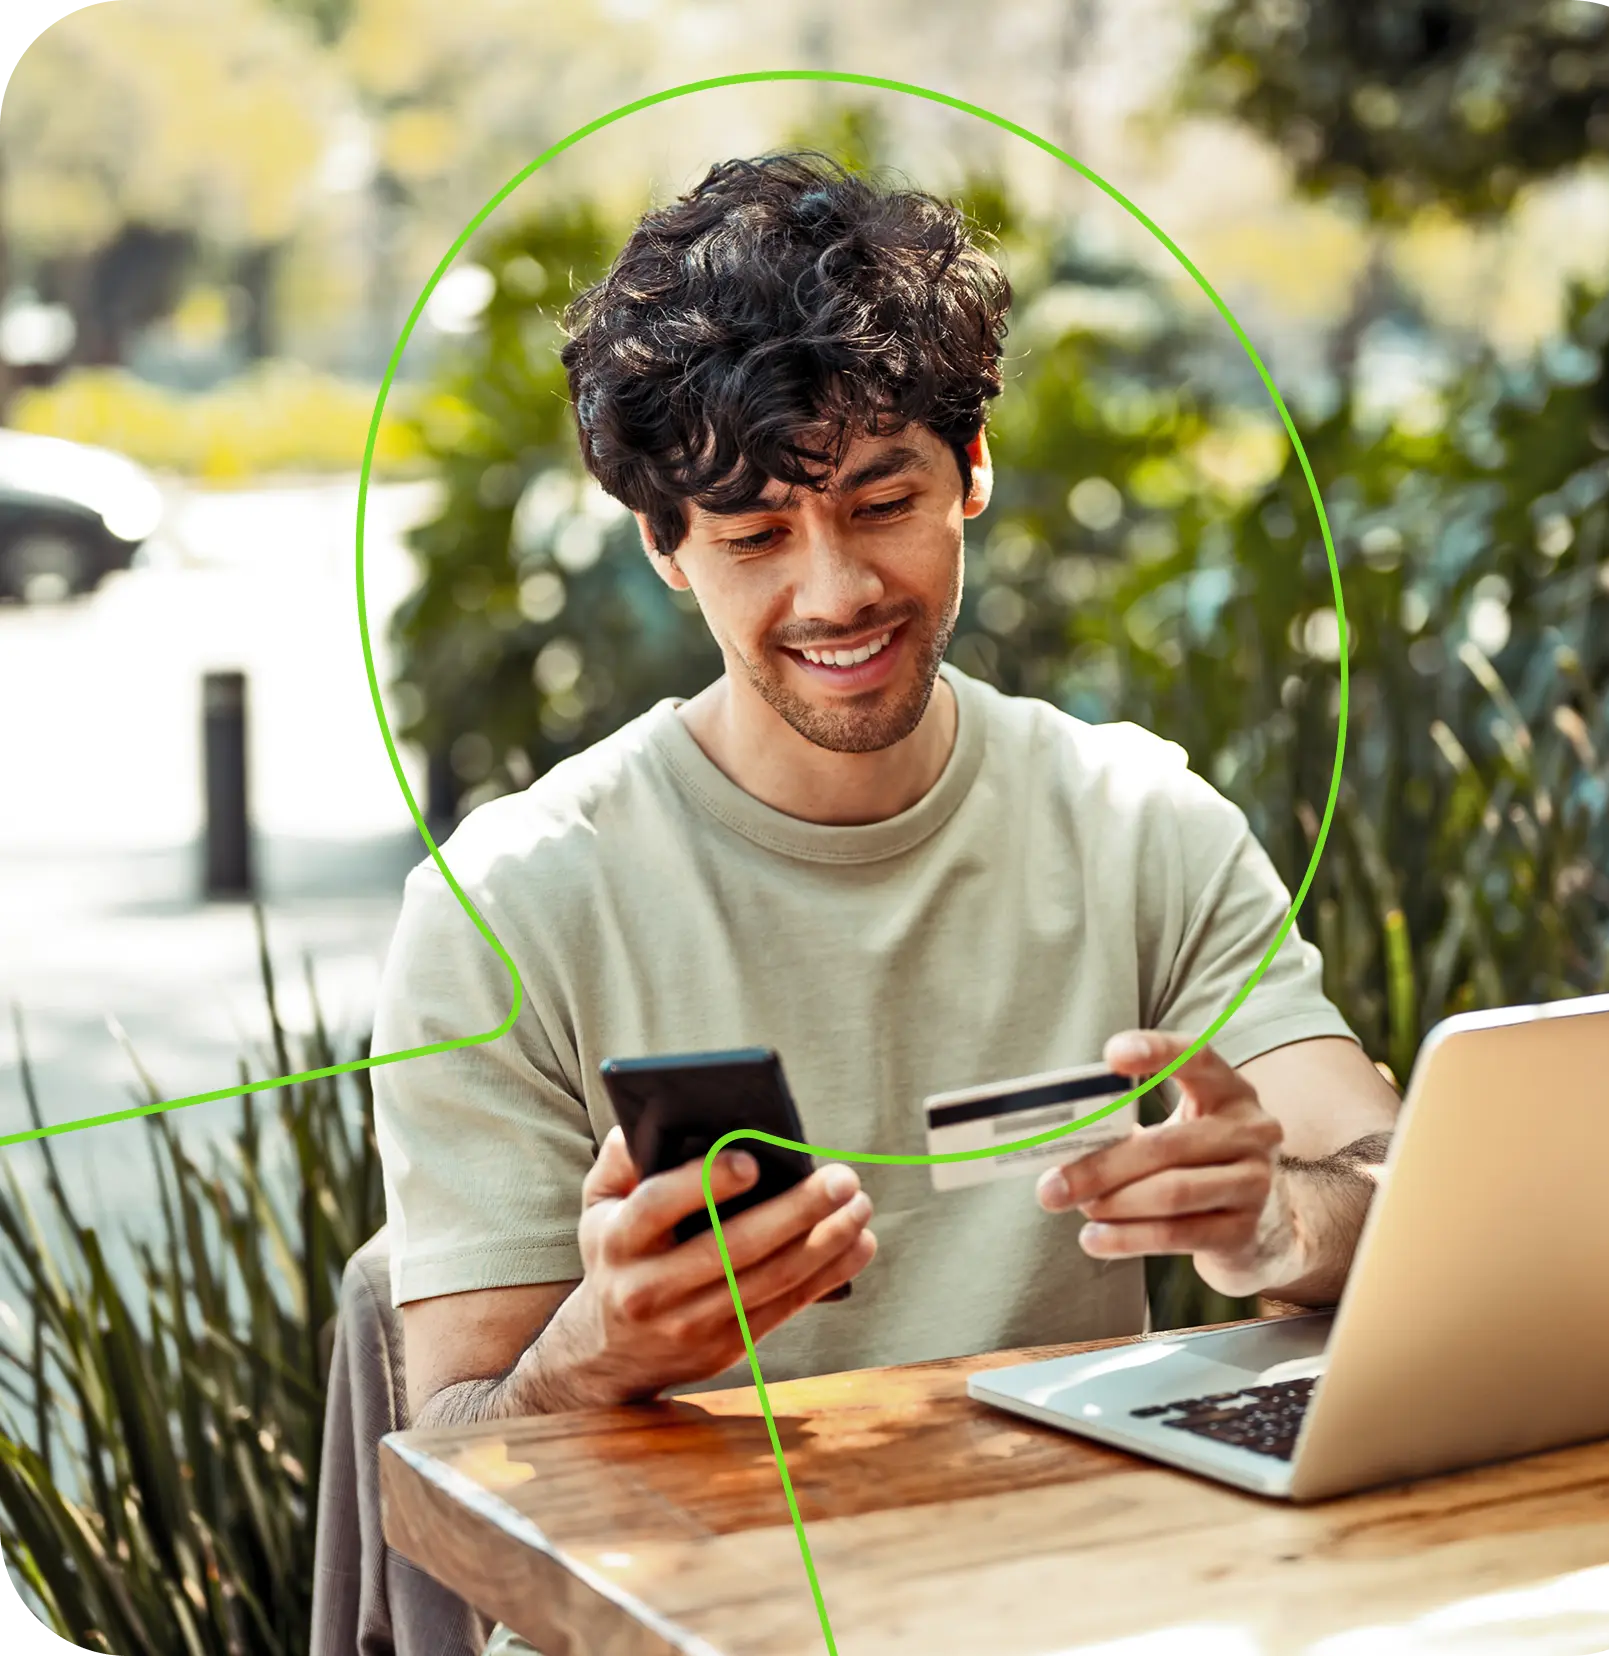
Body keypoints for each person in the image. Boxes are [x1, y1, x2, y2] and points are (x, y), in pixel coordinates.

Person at [372, 149, 1400, 1655]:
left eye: (882, 500)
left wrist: (1269, 1222)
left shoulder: (1138, 826)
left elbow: (1388, 1200)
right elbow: (456, 1438)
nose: (838, 588)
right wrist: (592, 1354)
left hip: (1099, 1604)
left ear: (971, 472)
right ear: (667, 549)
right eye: (754, 536)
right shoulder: (511, 905)